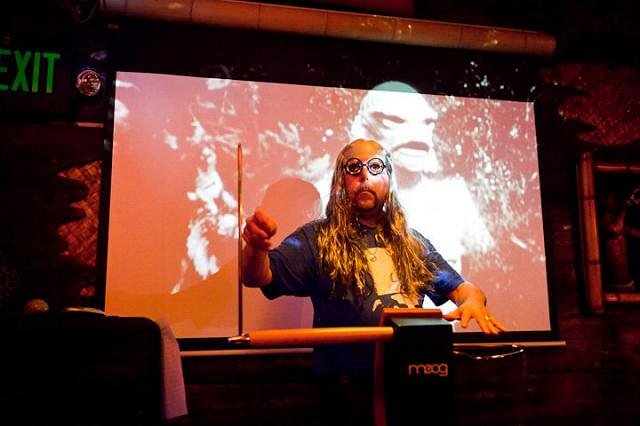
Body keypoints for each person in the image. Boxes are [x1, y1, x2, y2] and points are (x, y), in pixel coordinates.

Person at [242, 138, 506, 380]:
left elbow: (462, 289)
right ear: (341, 180)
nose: (364, 175)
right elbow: (259, 276)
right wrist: (255, 247)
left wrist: (472, 300)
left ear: (389, 178)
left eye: (375, 167)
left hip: (411, 380)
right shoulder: (316, 238)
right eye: (354, 167)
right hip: (345, 389)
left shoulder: (412, 243)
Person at [349, 82, 494, 275]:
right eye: (393, 120)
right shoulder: (338, 202)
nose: (416, 136)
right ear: (365, 129)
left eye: (426, 122)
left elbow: (488, 262)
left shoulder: (455, 196)